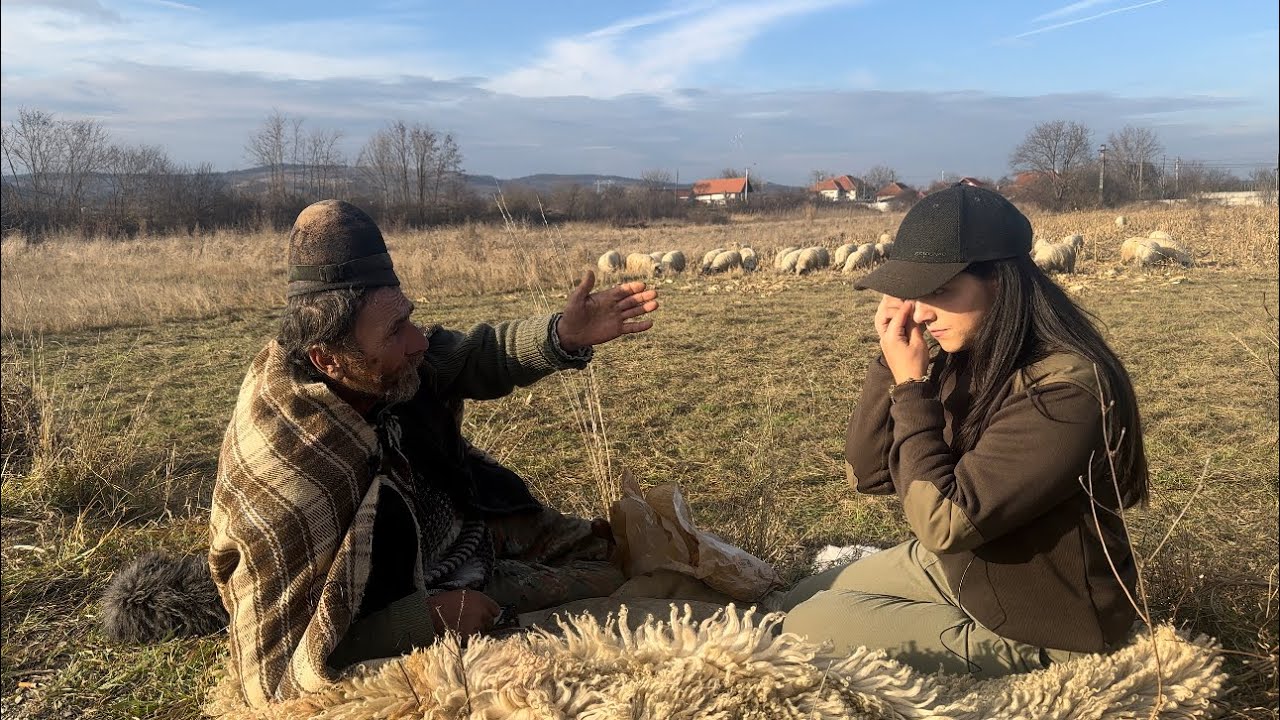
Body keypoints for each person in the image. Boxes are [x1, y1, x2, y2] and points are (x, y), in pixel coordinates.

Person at [208, 199, 660, 706]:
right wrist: (427, 618)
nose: (419, 341)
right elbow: (276, 673)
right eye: (397, 332)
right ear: (328, 358)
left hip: (461, 534)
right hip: (399, 595)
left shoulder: (386, 361)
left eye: (409, 319)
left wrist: (563, 335)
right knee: (607, 607)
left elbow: (474, 356)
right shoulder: (288, 470)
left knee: (621, 557)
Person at [778, 184, 1149, 678]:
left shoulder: (1066, 390)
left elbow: (943, 523)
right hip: (971, 568)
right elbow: (867, 473)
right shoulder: (969, 356)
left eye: (940, 290)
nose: (923, 312)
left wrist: (913, 387)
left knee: (802, 624)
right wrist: (889, 364)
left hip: (1040, 626)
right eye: (914, 292)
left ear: (1000, 281)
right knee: (795, 597)